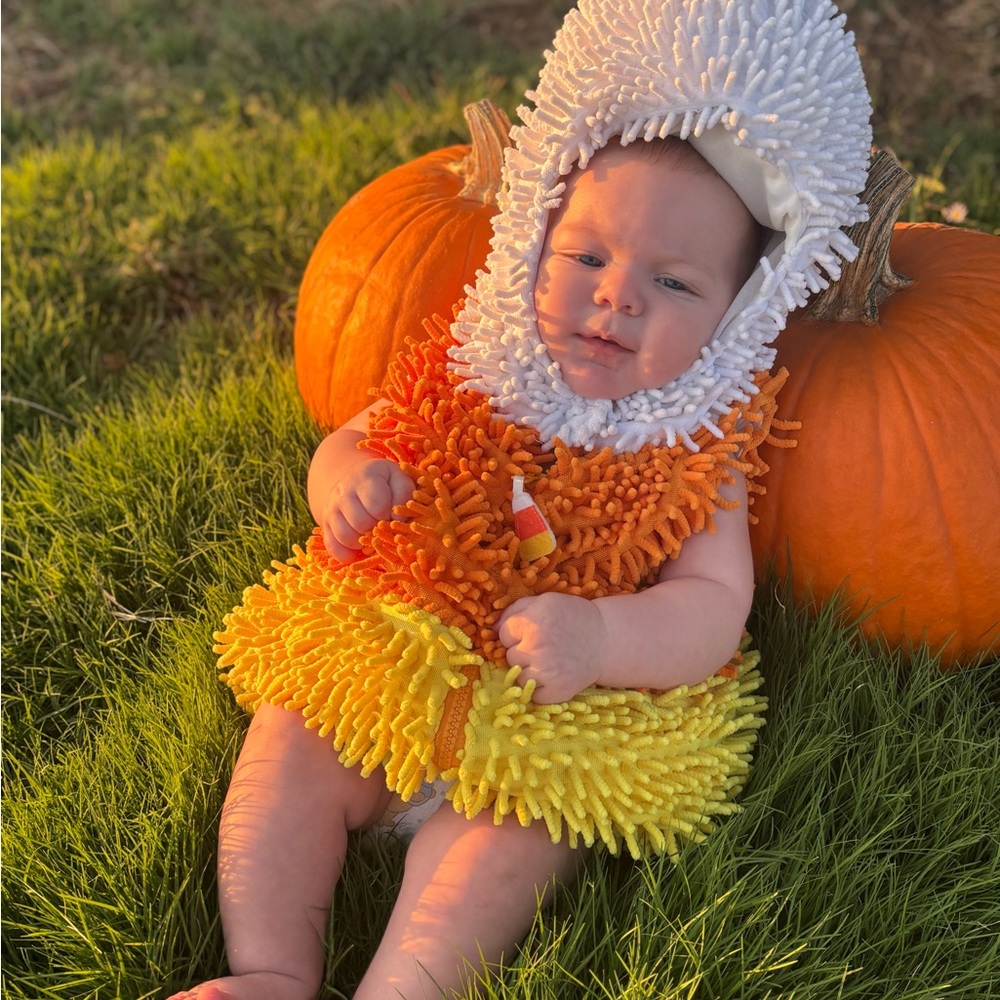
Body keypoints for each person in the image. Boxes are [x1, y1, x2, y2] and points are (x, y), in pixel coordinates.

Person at [168, 1, 872, 997]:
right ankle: (271, 970)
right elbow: (361, 434)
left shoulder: (700, 447)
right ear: (532, 238)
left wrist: (601, 640)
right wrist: (348, 482)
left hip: (552, 724)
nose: (614, 297)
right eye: (585, 257)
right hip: (398, 661)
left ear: (742, 309)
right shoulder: (476, 365)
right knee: (286, 743)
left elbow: (715, 606)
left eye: (671, 283)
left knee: (499, 852)